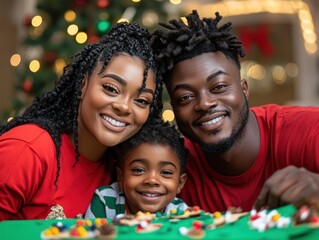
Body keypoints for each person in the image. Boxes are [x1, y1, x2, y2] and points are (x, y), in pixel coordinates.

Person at [151, 10, 319, 213]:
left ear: (244, 89)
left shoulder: (309, 130)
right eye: (185, 97)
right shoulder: (169, 168)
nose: (204, 103)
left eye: (219, 87)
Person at [0, 22, 163, 220]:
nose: (124, 107)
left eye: (141, 100)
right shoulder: (28, 150)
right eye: (111, 89)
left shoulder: (122, 170)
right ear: (83, 84)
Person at [84, 118, 188, 219]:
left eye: (166, 172)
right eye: (138, 170)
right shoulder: (105, 201)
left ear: (180, 183)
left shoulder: (182, 213)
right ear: (121, 176)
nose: (152, 180)